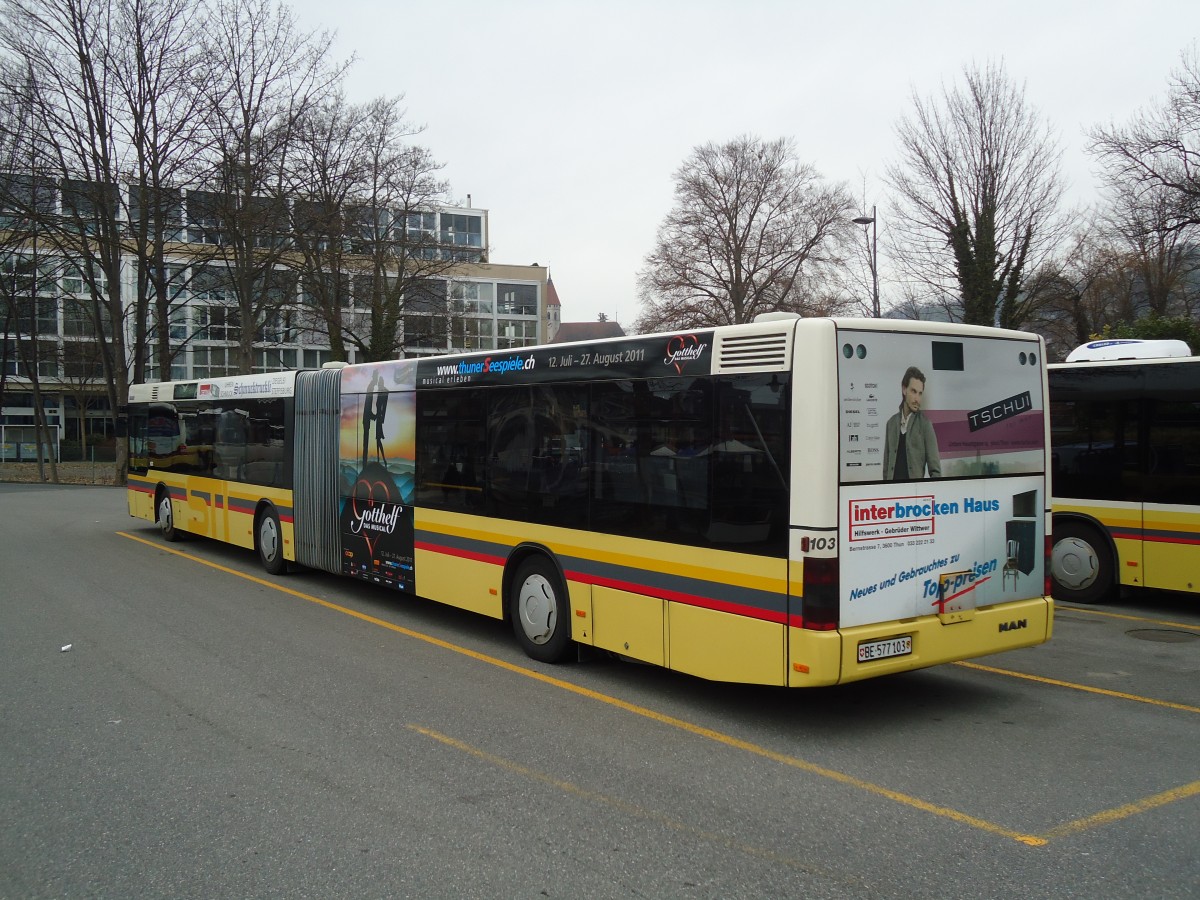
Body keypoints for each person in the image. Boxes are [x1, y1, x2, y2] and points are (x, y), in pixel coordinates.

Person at [883, 366, 941, 481]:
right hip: (893, 495)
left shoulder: (925, 425)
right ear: (904, 390)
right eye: (914, 391)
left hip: (914, 494)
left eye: (920, 393)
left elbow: (936, 473)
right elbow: (886, 468)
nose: (917, 399)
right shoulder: (891, 424)